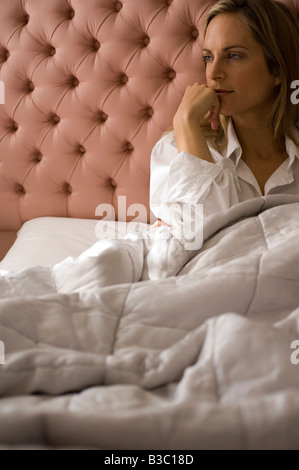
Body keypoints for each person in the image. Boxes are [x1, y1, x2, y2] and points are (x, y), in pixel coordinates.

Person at [150, 0, 299, 226]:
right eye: (208, 57)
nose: (214, 73)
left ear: (276, 70)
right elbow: (203, 238)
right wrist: (185, 121)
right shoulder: (175, 148)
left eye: (233, 56)